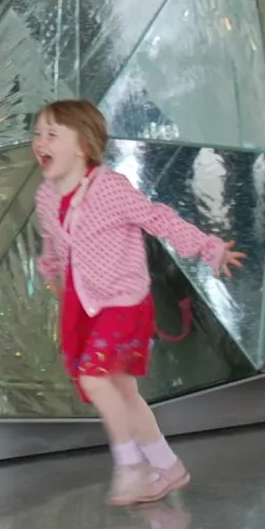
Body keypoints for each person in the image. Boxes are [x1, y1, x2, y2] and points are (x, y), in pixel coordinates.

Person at [31, 98, 244, 506]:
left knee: (95, 378)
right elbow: (53, 244)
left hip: (123, 302)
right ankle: (168, 466)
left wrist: (208, 248)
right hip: (84, 304)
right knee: (124, 393)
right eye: (37, 134)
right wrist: (52, 275)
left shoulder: (109, 188)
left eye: (52, 134)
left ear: (82, 146)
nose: (40, 142)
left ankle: (131, 467)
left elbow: (158, 218)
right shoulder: (46, 196)